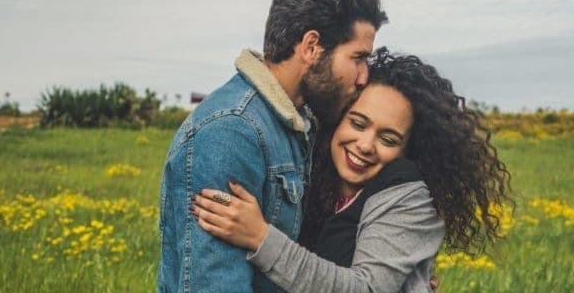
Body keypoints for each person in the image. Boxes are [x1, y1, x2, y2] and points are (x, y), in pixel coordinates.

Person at [191, 48, 513, 292]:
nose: (365, 145)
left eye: (388, 138)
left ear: (407, 151)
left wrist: (260, 237)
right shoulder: (311, 176)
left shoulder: (411, 195)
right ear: (337, 120)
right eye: (358, 123)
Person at [157, 0, 387, 293]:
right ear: (310, 47)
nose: (364, 76)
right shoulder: (231, 133)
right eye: (358, 58)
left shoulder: (300, 121)